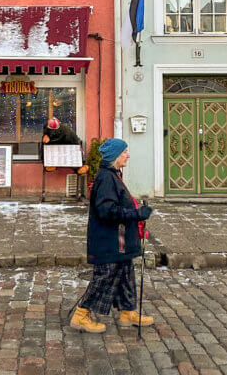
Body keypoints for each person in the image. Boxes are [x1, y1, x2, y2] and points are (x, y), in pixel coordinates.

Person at [70, 137, 154, 334]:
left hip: (120, 240)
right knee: (104, 276)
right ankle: (80, 315)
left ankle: (128, 312)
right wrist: (136, 214)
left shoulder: (113, 175)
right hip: (109, 240)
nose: (128, 155)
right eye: (125, 152)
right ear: (115, 156)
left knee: (125, 273)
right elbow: (107, 211)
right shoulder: (107, 178)